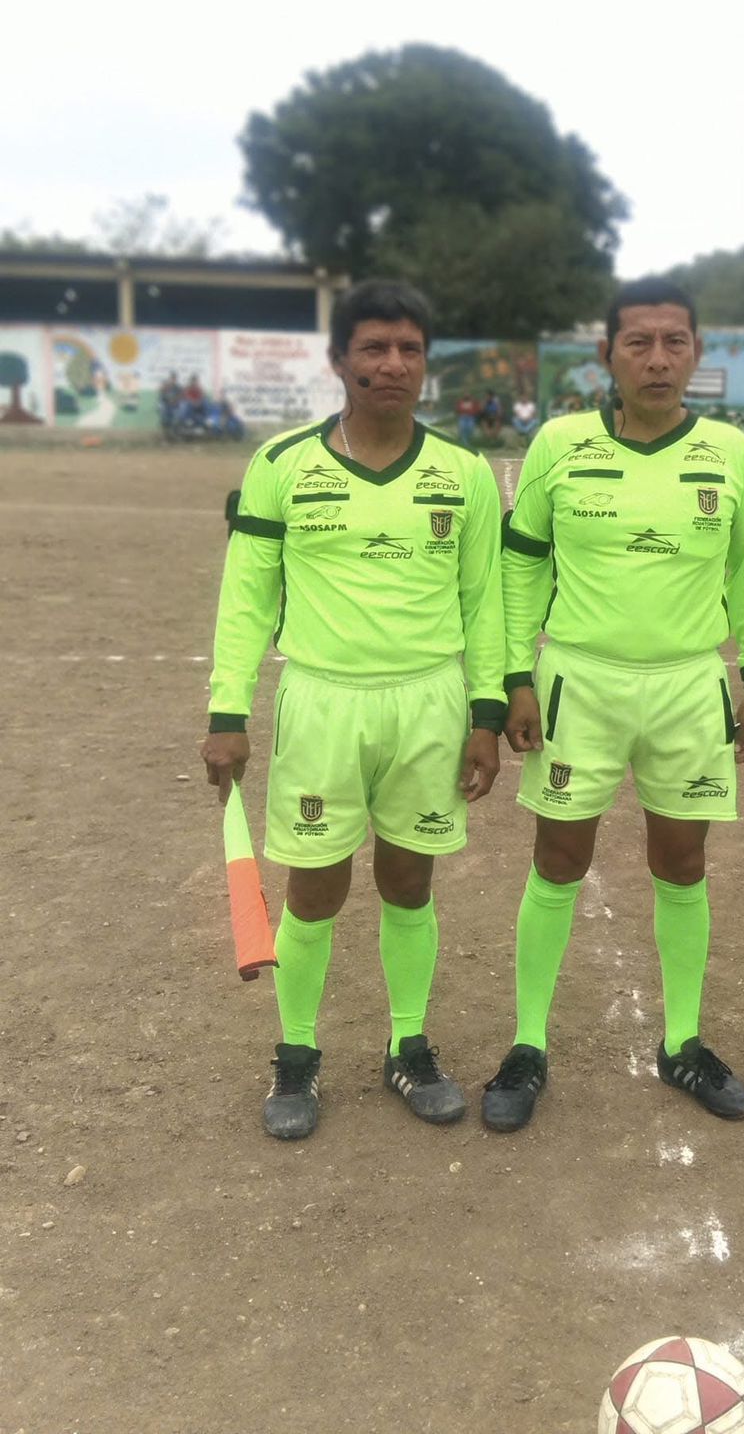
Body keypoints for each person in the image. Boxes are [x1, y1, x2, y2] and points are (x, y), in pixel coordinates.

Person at [201, 280, 506, 1140]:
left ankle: (408, 1046)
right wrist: (227, 712)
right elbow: (247, 598)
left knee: (409, 880)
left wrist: (485, 715)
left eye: (410, 349)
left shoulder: (464, 474)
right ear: (339, 360)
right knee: (315, 888)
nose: (393, 364)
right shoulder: (281, 465)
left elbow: (484, 602)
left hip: (428, 702)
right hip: (323, 700)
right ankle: (297, 1054)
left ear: (426, 364)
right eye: (374, 347)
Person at [480, 277, 744, 1131]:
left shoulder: (729, 452)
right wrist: (516, 676)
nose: (657, 359)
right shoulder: (560, 444)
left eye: (674, 342)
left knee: (683, 863)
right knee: (558, 859)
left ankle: (683, 1042)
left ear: (696, 352)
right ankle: (528, 1045)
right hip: (580, 682)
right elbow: (521, 566)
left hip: (689, 685)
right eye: (638, 343)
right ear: (606, 354)